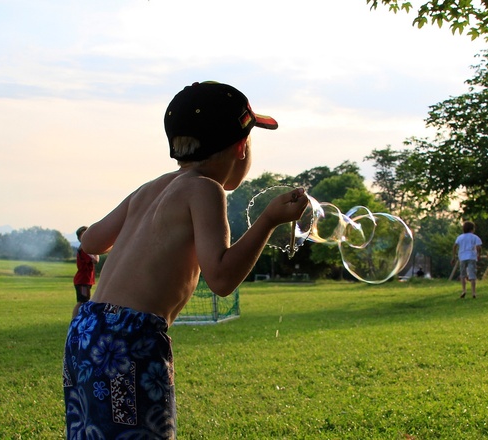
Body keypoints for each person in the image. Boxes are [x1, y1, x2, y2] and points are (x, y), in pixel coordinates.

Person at [62, 81, 308, 439]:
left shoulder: (153, 186)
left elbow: (92, 240)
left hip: (85, 332)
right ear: (242, 146)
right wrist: (268, 220)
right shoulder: (205, 189)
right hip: (128, 342)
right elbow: (222, 279)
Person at [72, 226, 99, 319]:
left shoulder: (86, 249)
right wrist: (96, 248)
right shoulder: (85, 249)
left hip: (86, 280)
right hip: (82, 280)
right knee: (83, 301)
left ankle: (79, 319)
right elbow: (95, 260)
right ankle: (75, 320)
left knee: (83, 301)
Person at [452, 221, 482, 298]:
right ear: (472, 229)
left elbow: (454, 246)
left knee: (463, 275)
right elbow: (479, 247)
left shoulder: (460, 237)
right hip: (471, 257)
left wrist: (454, 257)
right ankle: (473, 293)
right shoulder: (475, 237)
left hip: (462, 257)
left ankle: (464, 290)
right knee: (472, 275)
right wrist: (479, 255)